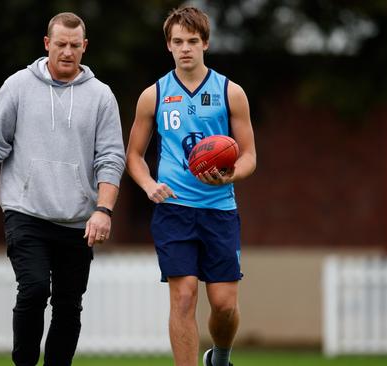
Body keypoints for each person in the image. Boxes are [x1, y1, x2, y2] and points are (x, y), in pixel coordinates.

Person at [0, 12, 125, 366]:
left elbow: (112, 158)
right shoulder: (18, 86)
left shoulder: (101, 97)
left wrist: (103, 209)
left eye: (74, 45)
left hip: (77, 220)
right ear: (47, 44)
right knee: (34, 289)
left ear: (84, 47)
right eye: (61, 44)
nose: (67, 52)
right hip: (26, 213)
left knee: (68, 304)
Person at [126, 6, 257, 366]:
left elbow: (248, 156)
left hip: (219, 210)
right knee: (183, 299)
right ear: (168, 45)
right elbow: (134, 156)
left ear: (206, 44)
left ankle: (221, 357)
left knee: (225, 305)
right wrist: (149, 184)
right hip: (174, 210)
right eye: (178, 41)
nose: (185, 48)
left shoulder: (231, 92)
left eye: (193, 41)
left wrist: (231, 174)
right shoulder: (153, 95)